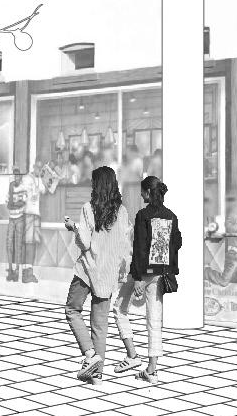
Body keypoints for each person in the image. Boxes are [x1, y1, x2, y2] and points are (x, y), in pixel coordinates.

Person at [63, 164, 131, 382]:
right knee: (100, 326)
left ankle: (90, 354)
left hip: (86, 271)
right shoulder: (122, 212)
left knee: (72, 310)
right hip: (107, 275)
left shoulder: (88, 208)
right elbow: (124, 245)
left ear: (97, 185)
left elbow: (84, 242)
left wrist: (73, 227)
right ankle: (97, 374)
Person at [122, 174, 182, 384]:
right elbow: (178, 242)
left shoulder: (143, 215)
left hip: (144, 273)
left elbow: (139, 247)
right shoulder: (171, 216)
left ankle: (132, 355)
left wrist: (138, 277)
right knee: (154, 322)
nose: (141, 195)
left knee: (120, 308)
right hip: (161, 275)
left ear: (148, 192)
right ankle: (152, 370)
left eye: (142, 192)